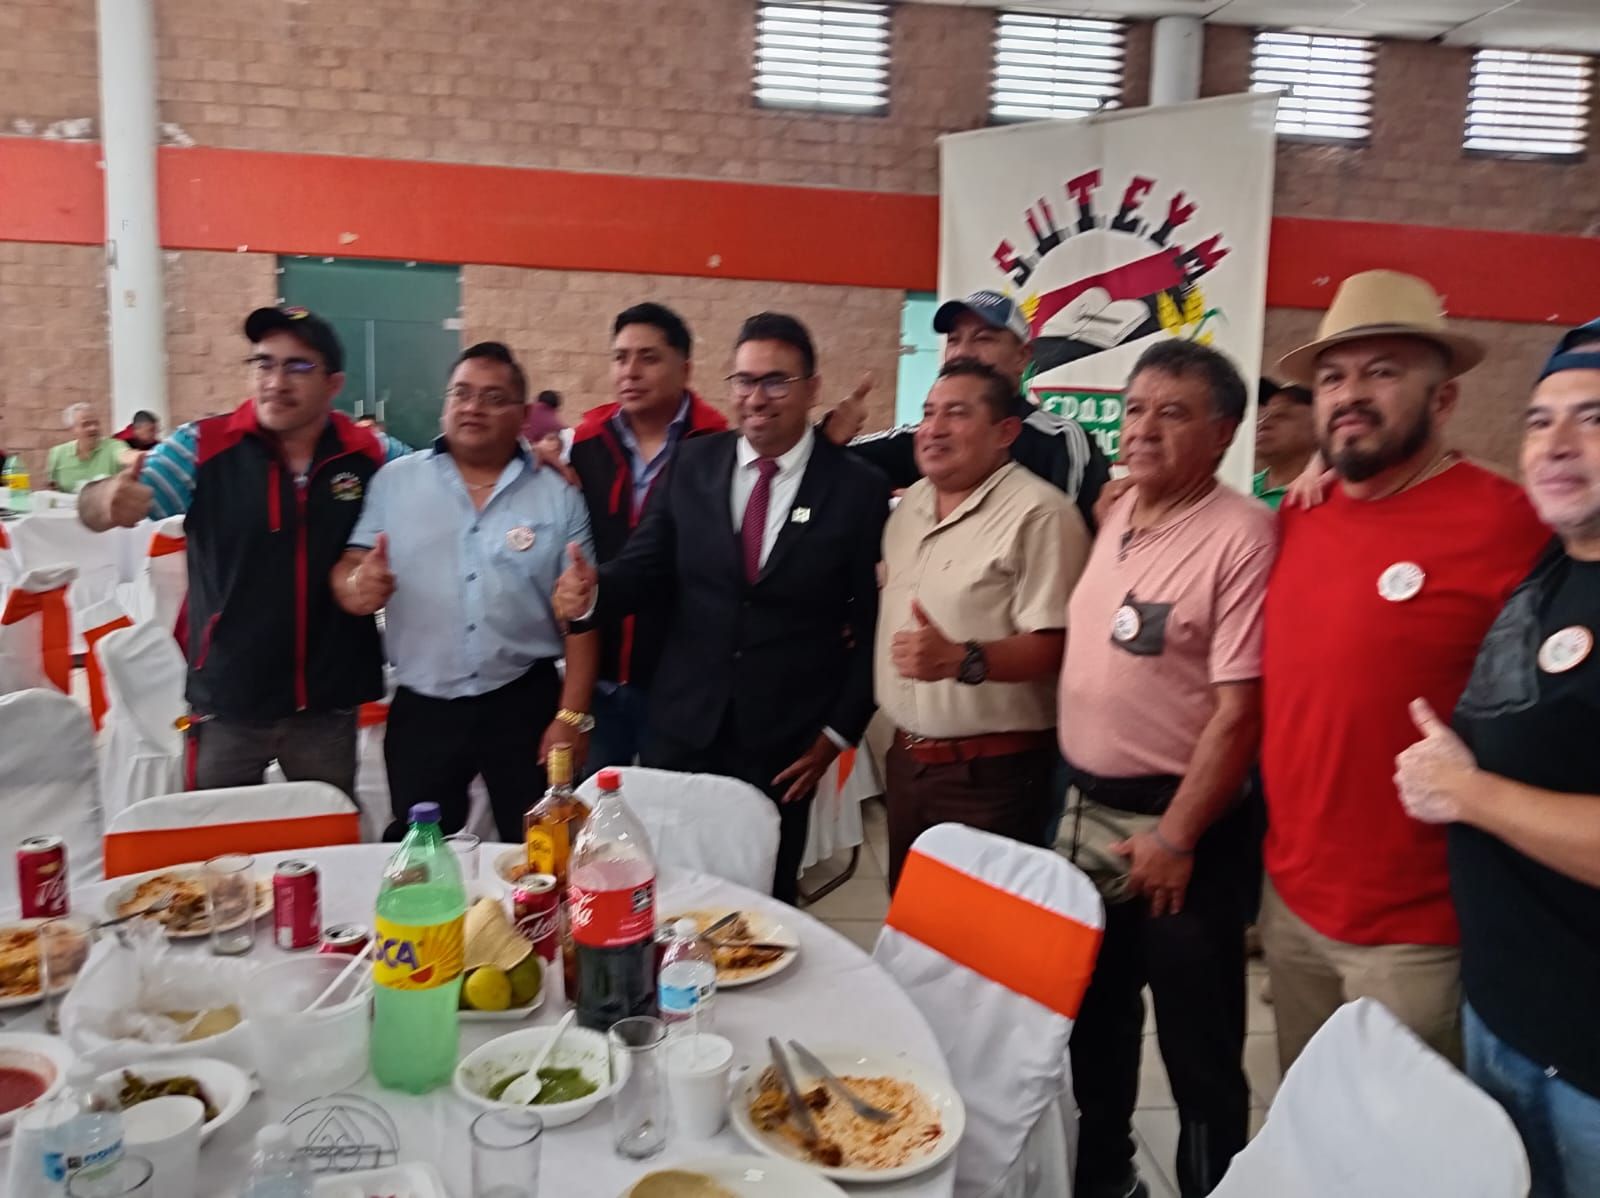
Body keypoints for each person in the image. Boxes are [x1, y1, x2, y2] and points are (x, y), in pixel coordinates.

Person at [1259, 270, 1549, 1074]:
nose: (1350, 394)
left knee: (1405, 1140)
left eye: (1381, 371)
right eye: (1332, 377)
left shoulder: (1512, 524)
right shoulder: (1300, 513)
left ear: (1443, 398)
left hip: (1418, 933)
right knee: (1309, 1117)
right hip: (1291, 903)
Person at [555, 312, 889, 904]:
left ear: (812, 388)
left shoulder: (856, 489)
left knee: (763, 902)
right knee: (661, 892)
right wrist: (592, 593)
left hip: (784, 742)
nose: (756, 398)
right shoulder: (694, 464)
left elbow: (871, 630)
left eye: (776, 381)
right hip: (681, 727)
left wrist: (836, 735)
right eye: (744, 381)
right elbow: (644, 567)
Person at [1059, 340, 1273, 1198]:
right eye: (1135, 408)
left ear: (1222, 433)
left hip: (1183, 829)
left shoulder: (1242, 536)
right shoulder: (1117, 510)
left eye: (1172, 412)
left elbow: (1240, 711)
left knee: (1198, 1046)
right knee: (1094, 1020)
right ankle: (1106, 1177)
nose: (1143, 428)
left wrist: (1178, 837)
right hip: (1083, 809)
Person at [1394, 318, 1600, 1198]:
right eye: (1539, 420)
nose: (1557, 444)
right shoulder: (1557, 559)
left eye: (1594, 418)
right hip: (1507, 1013)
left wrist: (1466, 792)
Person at [77, 305, 407, 796]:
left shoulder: (370, 453)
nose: (275, 381)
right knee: (217, 834)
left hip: (326, 699)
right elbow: (93, 508)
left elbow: (438, 477)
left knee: (324, 827)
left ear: (333, 384)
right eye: (263, 363)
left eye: (298, 366)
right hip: (227, 696)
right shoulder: (202, 447)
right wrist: (108, 500)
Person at [333, 342, 598, 842]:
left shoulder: (557, 494)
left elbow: (583, 615)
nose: (473, 407)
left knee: (540, 847)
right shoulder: (396, 482)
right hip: (424, 708)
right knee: (422, 851)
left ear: (523, 415)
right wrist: (357, 585)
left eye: (493, 398)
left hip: (524, 702)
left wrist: (571, 716)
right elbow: (351, 566)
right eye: (462, 393)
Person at [877, 360, 1087, 887]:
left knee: (976, 929)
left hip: (991, 777)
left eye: (957, 414)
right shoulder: (911, 504)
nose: (934, 428)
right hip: (907, 764)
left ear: (1005, 432)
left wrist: (962, 658)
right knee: (910, 921)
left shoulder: (1040, 514)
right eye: (928, 413)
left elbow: (1058, 646)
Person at [566, 303, 728, 772]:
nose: (630, 372)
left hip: (681, 684)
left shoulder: (718, 449)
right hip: (598, 680)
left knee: (670, 807)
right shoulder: (585, 444)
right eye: (620, 357)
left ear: (686, 369)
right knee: (595, 806)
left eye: (648, 358)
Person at [823, 289, 1111, 533]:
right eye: (953, 340)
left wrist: (936, 508)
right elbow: (823, 469)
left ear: (1021, 357)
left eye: (983, 338)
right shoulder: (926, 438)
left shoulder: (1060, 441)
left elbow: (1060, 537)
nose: (962, 352)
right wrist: (828, 437)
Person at [1251, 380, 1315, 510]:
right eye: (1263, 416)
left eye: (1281, 416)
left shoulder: (1323, 495)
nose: (1263, 424)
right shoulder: (1240, 487)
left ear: (1318, 429)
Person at [46, 404, 123, 492]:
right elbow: (52, 488)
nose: (93, 428)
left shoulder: (113, 446)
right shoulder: (58, 453)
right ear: (72, 429)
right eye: (86, 424)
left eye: (96, 423)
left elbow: (125, 455)